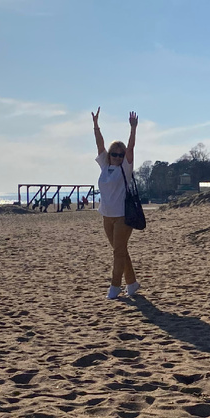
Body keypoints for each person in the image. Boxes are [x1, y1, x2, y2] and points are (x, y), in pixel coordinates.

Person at [92, 107, 141, 299]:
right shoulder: (105, 165)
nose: (118, 157)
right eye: (115, 154)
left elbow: (131, 148)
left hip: (122, 216)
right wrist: (96, 126)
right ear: (110, 154)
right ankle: (132, 283)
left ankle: (115, 286)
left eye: (121, 155)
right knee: (120, 251)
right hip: (106, 215)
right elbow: (100, 144)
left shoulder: (125, 168)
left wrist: (133, 129)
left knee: (118, 252)